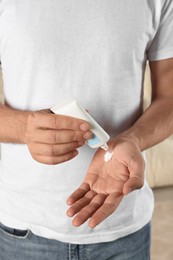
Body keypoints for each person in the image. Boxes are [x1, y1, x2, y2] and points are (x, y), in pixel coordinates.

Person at [0, 0, 173, 259]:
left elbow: (169, 97)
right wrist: (24, 128)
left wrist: (133, 140)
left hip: (124, 226)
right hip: (24, 229)